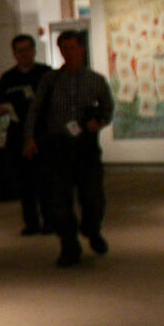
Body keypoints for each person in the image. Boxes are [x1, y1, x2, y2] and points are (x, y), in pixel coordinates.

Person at [24, 29, 112, 267]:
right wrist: (29, 138)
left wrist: (99, 121)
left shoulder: (95, 80)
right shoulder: (50, 80)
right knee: (59, 202)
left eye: (73, 47)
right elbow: (35, 109)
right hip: (57, 146)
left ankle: (92, 229)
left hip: (85, 145)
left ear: (82, 48)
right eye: (64, 48)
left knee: (93, 198)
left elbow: (108, 108)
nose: (68, 53)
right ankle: (69, 245)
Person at [0, 34, 52, 235]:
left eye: (28, 49)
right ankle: (31, 223)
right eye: (20, 51)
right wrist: (3, 109)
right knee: (25, 181)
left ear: (34, 51)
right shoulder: (8, 78)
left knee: (45, 180)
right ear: (14, 54)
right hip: (17, 134)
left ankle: (49, 221)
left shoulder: (46, 74)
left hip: (43, 134)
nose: (24, 54)